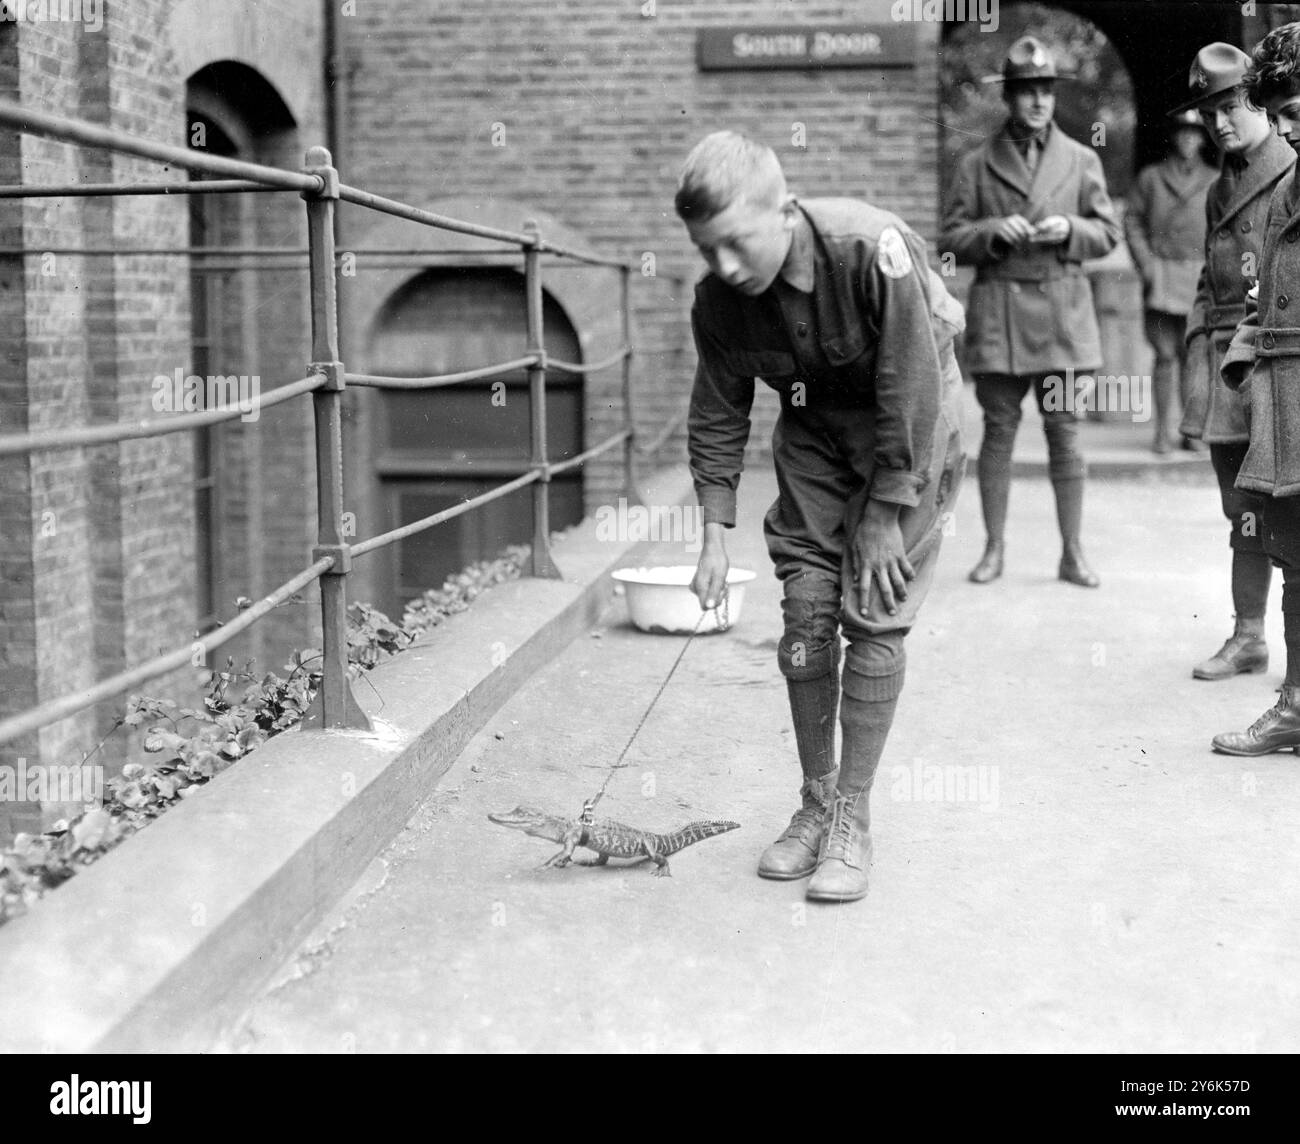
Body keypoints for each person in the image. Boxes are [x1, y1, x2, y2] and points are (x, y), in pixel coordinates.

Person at [675, 132, 965, 902]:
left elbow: (913, 384)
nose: (724, 268)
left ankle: (853, 820)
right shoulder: (719, 302)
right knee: (806, 615)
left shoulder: (870, 250)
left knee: (872, 611)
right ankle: (815, 802)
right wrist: (711, 534)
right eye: (707, 251)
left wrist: (883, 512)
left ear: (784, 209)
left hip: (913, 429)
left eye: (736, 243)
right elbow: (718, 412)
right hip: (813, 438)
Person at [939, 35, 1120, 587]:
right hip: (1001, 314)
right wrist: (992, 232)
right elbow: (949, 240)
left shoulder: (1082, 160)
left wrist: (1072, 229)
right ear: (1009, 98)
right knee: (998, 432)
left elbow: (1108, 231)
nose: (1038, 102)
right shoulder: (974, 164)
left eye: (1045, 91)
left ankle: (1072, 552)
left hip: (1062, 313)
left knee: (1065, 435)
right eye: (1026, 92)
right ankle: (994, 550)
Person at [1176, 43, 1295, 682]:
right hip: (1229, 365)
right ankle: (1248, 637)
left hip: (1276, 360)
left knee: (1290, 510)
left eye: (1231, 106)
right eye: (1209, 113)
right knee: (1241, 508)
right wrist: (1200, 356)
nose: (1219, 123)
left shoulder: (1291, 172)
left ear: (1260, 104)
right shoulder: (1217, 186)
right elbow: (1205, 280)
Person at [1213, 22, 1300, 754]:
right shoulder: (1285, 190)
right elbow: (1259, 293)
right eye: (1282, 114)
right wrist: (1242, 356)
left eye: (1299, 109)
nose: (1290, 126)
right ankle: (1296, 704)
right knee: (1293, 549)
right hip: (1282, 393)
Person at [1125, 110, 1217, 455]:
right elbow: (1131, 220)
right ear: (1174, 137)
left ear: (1203, 138)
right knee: (1164, 355)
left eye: (1195, 134)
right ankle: (1161, 432)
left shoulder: (1215, 178)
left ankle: (1190, 431)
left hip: (1198, 275)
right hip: (1161, 273)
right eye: (1182, 133)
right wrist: (1145, 262)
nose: (1188, 140)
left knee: (1193, 356)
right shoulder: (1151, 178)